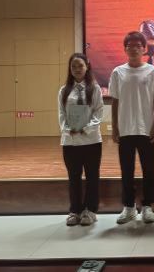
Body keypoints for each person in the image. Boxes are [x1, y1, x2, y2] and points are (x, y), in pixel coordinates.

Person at [109, 31, 154, 224]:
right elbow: (115, 101)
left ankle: (147, 206)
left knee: (149, 169)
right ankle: (129, 207)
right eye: (130, 46)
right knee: (127, 170)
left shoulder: (153, 71)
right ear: (125, 49)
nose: (134, 49)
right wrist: (114, 127)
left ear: (144, 49)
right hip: (125, 128)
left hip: (146, 128)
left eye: (138, 46)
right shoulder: (118, 72)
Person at [58, 53, 103, 226]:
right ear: (70, 69)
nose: (77, 69)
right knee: (73, 178)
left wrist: (86, 128)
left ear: (87, 67)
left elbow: (98, 112)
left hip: (91, 141)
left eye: (80, 66)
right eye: (74, 66)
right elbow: (61, 114)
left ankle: (90, 211)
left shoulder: (95, 89)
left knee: (92, 177)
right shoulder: (64, 91)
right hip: (70, 142)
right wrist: (68, 129)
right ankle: (75, 210)